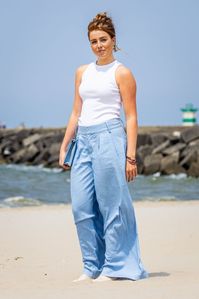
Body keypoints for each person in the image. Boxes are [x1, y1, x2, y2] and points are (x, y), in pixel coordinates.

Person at [59, 12, 149, 282]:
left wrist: (130, 157)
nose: (98, 45)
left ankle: (114, 266)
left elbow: (131, 117)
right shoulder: (82, 72)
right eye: (93, 41)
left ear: (113, 40)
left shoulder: (122, 73)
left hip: (110, 137)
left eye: (103, 39)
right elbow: (76, 111)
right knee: (81, 207)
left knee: (112, 206)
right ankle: (91, 266)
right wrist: (65, 146)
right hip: (83, 140)